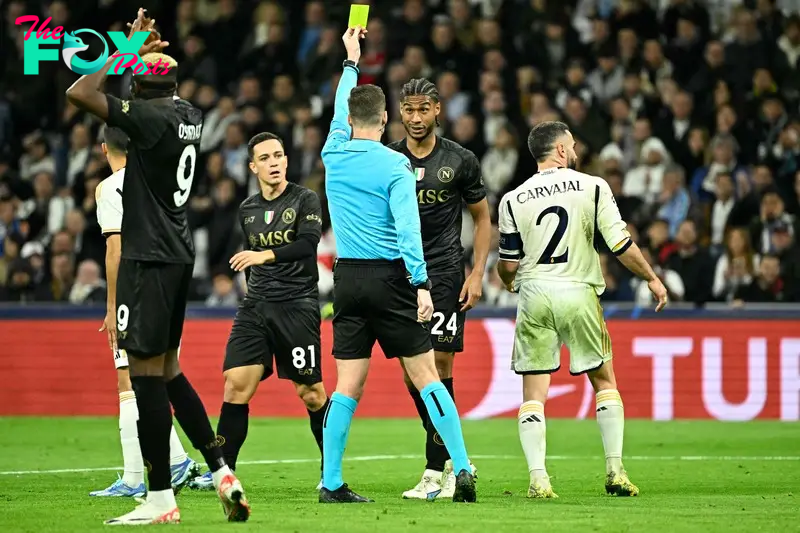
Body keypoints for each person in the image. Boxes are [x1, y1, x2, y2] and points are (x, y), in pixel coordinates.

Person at [65, 9, 248, 524]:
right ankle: (219, 468)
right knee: (170, 370)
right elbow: (152, 91)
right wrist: (149, 57)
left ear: (137, 91)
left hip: (146, 257)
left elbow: (79, 93)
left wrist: (127, 49)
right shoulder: (190, 114)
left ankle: (160, 498)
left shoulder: (145, 119)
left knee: (144, 376)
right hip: (179, 254)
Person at [319, 26, 475, 504]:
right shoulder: (396, 166)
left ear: (347, 121)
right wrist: (422, 284)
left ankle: (331, 483)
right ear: (387, 119)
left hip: (347, 278)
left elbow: (343, 103)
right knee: (427, 374)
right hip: (391, 278)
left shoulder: (332, 154)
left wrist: (351, 61)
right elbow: (409, 232)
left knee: (347, 385)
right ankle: (463, 468)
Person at [496, 121, 668, 499]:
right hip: (578, 289)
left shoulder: (513, 198)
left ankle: (539, 479)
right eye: (571, 146)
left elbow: (507, 264)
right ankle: (615, 471)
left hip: (535, 293)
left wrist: (510, 282)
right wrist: (652, 278)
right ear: (559, 150)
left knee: (533, 393)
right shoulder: (593, 186)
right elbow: (620, 244)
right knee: (604, 382)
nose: (575, 152)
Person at [189, 132, 328, 491]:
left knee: (310, 391)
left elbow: (307, 245)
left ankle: (332, 470)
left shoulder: (305, 198)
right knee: (235, 386)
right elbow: (249, 262)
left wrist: (264, 256)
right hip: (255, 307)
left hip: (297, 305)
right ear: (253, 167)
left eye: (278, 155)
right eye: (265, 158)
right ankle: (222, 472)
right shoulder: (247, 209)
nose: (274, 163)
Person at [387, 79, 490, 500]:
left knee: (440, 366)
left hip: (446, 273)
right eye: (408, 110)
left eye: (422, 109)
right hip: (400, 276)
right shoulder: (388, 158)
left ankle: (435, 471)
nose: (415, 118)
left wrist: (478, 272)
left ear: (437, 110)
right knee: (414, 376)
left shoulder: (460, 160)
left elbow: (483, 218)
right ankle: (452, 459)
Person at [91, 126, 200, 498]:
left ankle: (136, 478)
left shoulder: (110, 188)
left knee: (129, 381)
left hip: (136, 293)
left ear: (104, 148)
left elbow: (115, 249)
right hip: (170, 287)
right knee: (158, 378)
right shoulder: (157, 177)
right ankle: (180, 461)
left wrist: (112, 305)